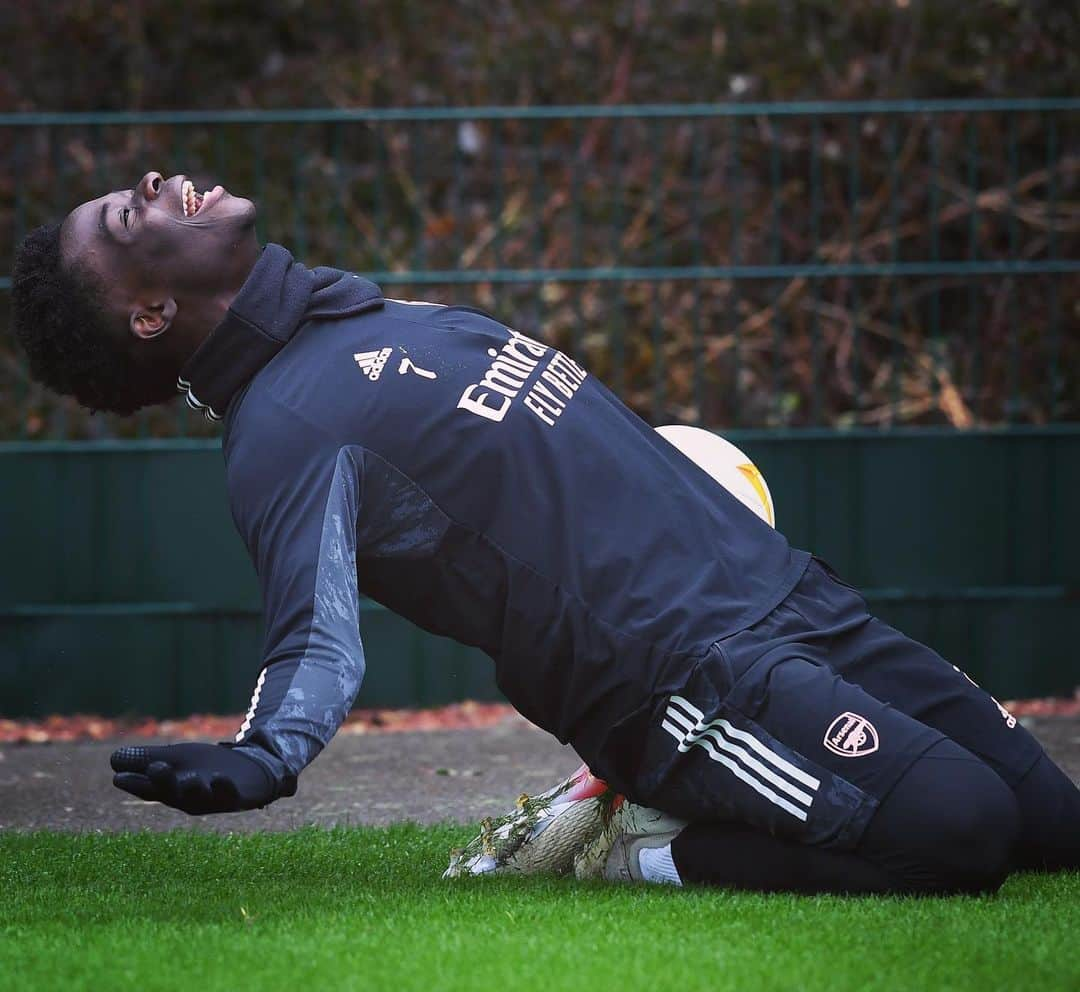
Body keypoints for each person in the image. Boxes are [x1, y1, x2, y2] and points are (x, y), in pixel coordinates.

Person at [12, 170, 1080, 896]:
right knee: (964, 833)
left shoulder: (372, 318)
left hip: (793, 598)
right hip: (692, 686)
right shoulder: (282, 436)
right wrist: (264, 758)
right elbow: (315, 635)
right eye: (124, 218)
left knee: (1054, 828)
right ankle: (646, 847)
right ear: (150, 313)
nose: (152, 186)